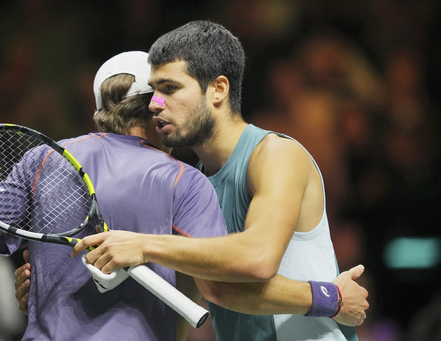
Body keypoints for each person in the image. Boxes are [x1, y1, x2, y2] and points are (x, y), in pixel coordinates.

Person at [69, 21, 369, 340]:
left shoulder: (275, 155)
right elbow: (216, 291)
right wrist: (45, 280)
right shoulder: (194, 183)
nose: (154, 103)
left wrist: (143, 245)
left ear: (218, 89)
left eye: (169, 88)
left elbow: (257, 258)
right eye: (153, 90)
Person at [0, 51, 228, 341]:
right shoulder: (187, 181)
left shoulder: (42, 160)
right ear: (157, 108)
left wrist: (42, 295)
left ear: (100, 114)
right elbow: (218, 278)